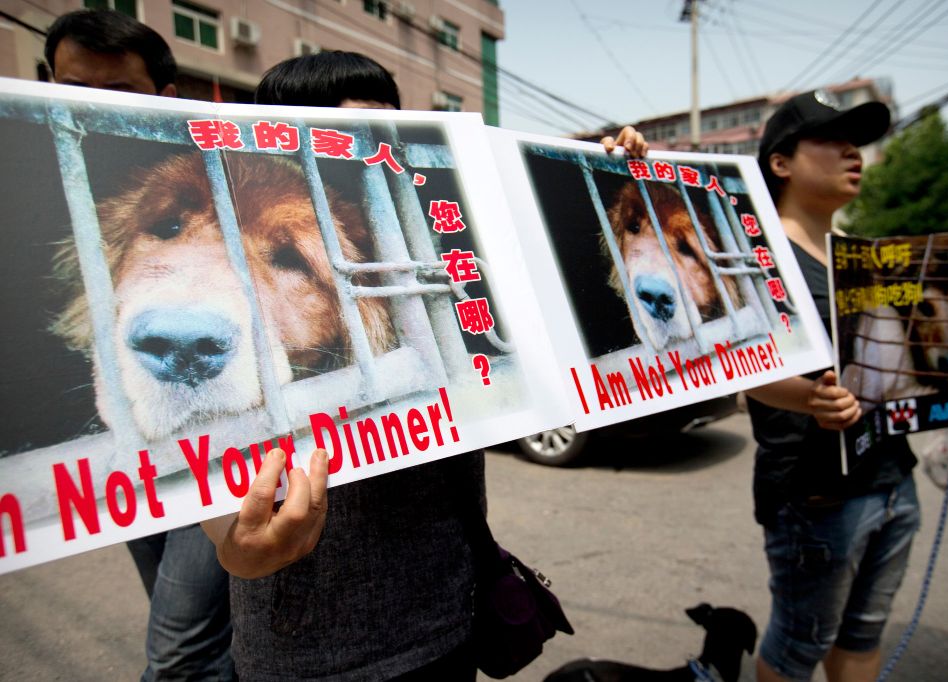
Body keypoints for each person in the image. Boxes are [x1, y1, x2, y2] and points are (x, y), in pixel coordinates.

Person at [200, 50, 646, 680]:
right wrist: (236, 548)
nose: (364, 151)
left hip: (448, 615)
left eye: (383, 125)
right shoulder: (227, 259)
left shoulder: (443, 239)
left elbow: (549, 295)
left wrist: (598, 175)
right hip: (314, 648)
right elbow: (200, 460)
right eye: (338, 136)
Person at [746, 89, 948, 682]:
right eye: (831, 139)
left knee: (865, 632)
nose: (853, 152)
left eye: (857, 141)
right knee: (797, 647)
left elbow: (910, 373)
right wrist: (805, 397)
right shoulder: (756, 257)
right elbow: (734, 365)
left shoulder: (866, 260)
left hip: (893, 476)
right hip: (815, 496)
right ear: (780, 162)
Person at [44, 10, 234, 681]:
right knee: (179, 612)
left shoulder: (222, 167)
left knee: (180, 645)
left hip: (223, 435)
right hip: (116, 437)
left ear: (165, 98)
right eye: (75, 86)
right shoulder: (31, 160)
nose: (93, 108)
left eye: (118, 94)